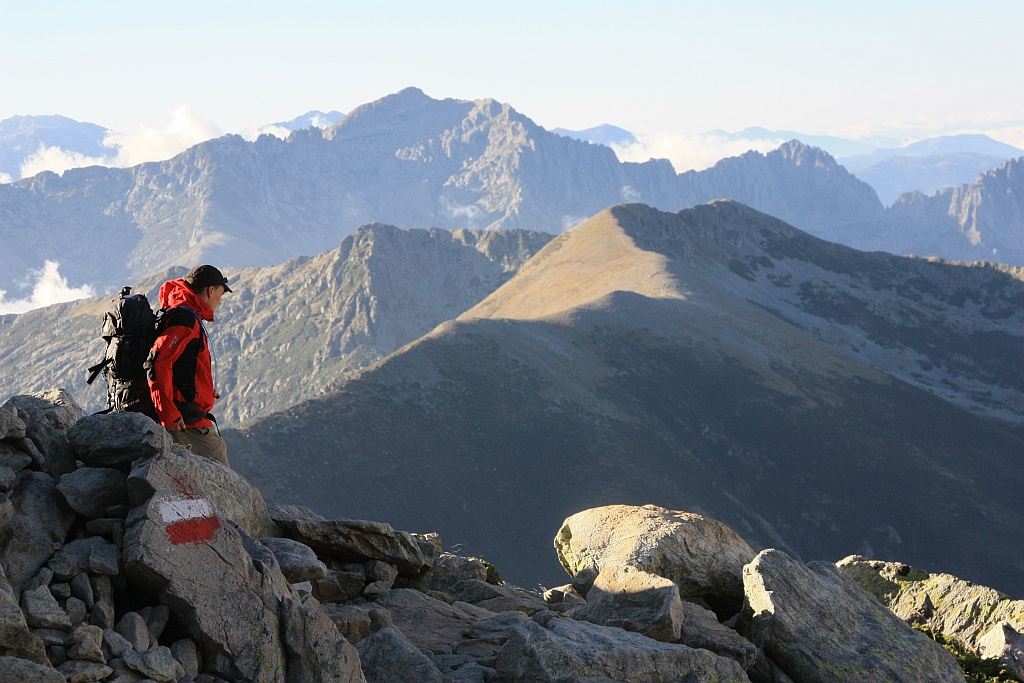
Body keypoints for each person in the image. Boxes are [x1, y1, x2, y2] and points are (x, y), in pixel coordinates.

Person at [147, 265, 232, 466]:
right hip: (187, 425)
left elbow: (183, 366)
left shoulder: (184, 314)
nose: (220, 301)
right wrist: (168, 413)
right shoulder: (185, 320)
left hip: (186, 418)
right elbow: (158, 362)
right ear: (211, 290)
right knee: (223, 486)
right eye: (220, 294)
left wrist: (204, 391)